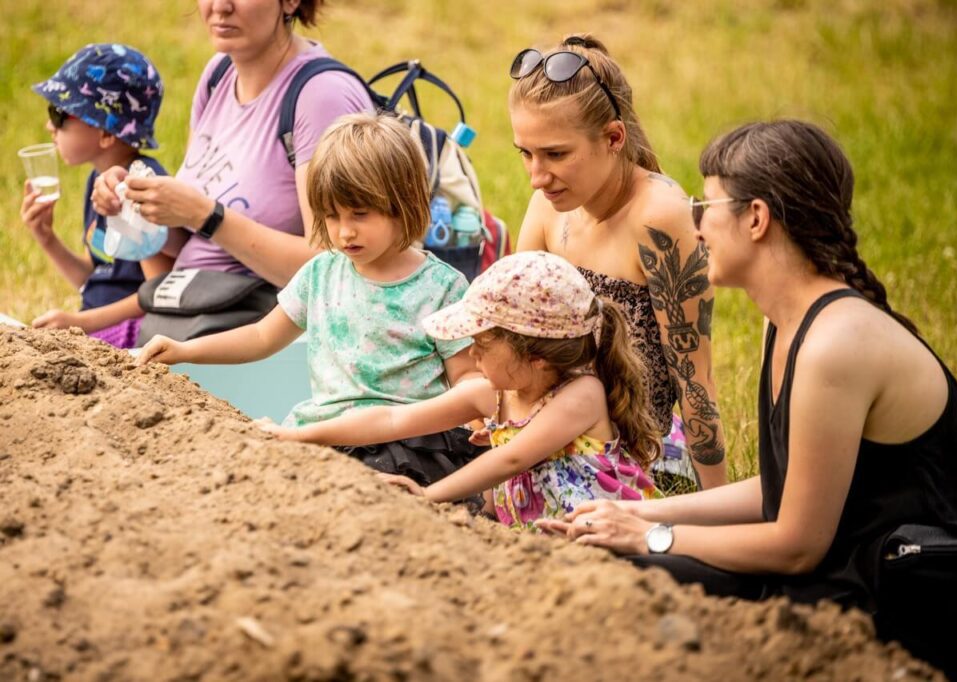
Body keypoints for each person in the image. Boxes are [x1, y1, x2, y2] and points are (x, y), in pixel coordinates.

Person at [537, 120, 957, 680]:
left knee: (645, 586)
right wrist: (638, 511)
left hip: (927, 605)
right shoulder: (786, 324)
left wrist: (651, 535)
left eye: (706, 207)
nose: (695, 227)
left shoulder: (834, 344)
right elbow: (786, 488)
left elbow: (797, 546)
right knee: (622, 566)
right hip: (855, 566)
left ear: (757, 218)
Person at [138, 112, 481, 484]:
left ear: (404, 204)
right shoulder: (322, 273)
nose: (344, 231)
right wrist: (184, 350)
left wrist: (482, 426)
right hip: (323, 435)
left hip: (409, 446)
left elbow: (466, 379)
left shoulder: (443, 287)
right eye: (331, 216)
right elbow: (260, 337)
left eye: (360, 214)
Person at [262, 251, 663, 529]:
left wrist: (427, 495)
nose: (469, 353)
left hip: (607, 533)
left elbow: (511, 460)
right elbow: (392, 418)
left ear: (536, 356)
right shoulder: (492, 393)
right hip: (536, 534)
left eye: (482, 345)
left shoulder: (581, 395)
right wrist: (298, 435)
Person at [67, 0, 372, 343]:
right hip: (185, 318)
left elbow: (341, 268)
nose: (219, 7)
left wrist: (207, 216)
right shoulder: (218, 75)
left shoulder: (322, 97)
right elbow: (187, 240)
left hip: (262, 344)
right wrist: (137, 205)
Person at [509, 34, 727, 491]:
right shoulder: (551, 200)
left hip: (635, 457)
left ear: (613, 137)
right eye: (525, 153)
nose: (536, 176)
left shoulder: (660, 217)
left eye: (555, 153)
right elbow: (510, 327)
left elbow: (694, 381)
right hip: (546, 432)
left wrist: (718, 509)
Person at [22, 43, 170, 349]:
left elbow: (159, 291)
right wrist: (46, 237)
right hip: (98, 324)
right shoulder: (97, 179)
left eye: (60, 114)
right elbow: (96, 278)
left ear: (106, 133)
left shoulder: (141, 184)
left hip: (131, 333)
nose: (49, 126)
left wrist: (80, 324)